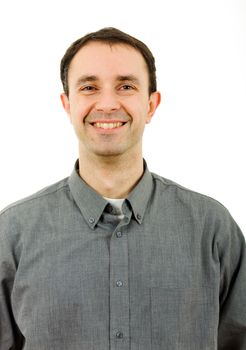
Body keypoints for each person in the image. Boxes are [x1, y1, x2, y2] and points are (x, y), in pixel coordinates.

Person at [0, 27, 245, 350]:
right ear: (67, 104)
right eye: (89, 87)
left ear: (151, 105)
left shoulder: (211, 227)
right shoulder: (13, 231)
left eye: (126, 86)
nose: (107, 103)